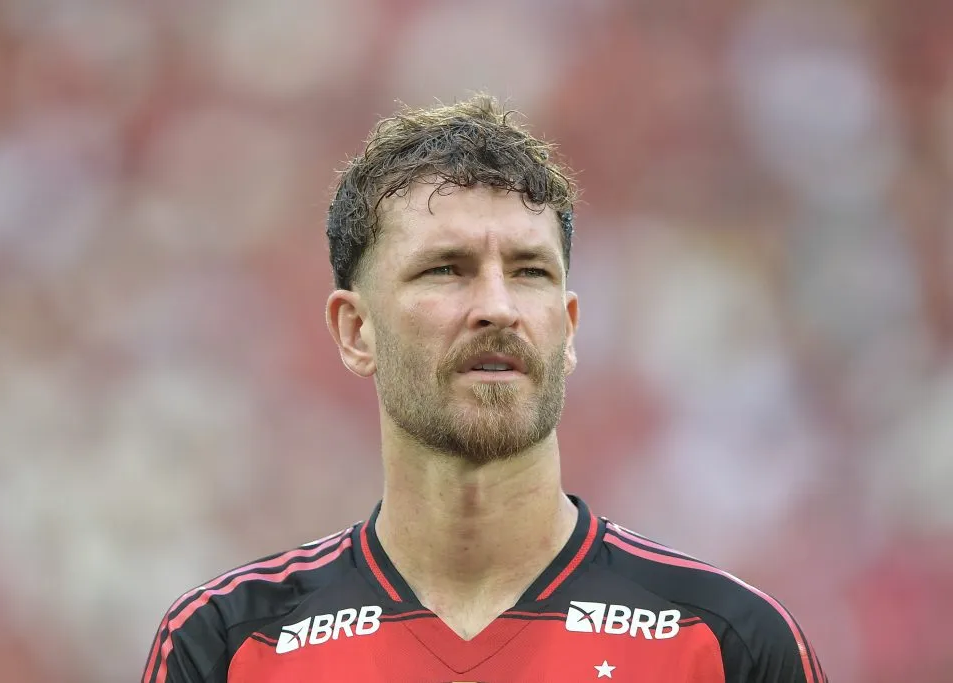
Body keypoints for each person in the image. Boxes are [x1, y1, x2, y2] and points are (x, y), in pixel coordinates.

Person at [140, 95, 828, 683]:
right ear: (355, 330)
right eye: (447, 269)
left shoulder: (726, 642)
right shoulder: (230, 644)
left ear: (569, 326)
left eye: (530, 271)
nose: (498, 306)